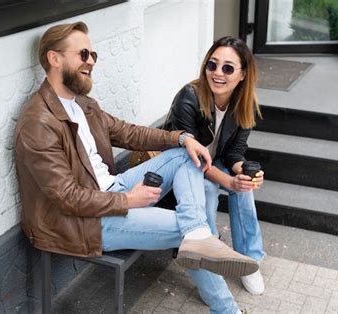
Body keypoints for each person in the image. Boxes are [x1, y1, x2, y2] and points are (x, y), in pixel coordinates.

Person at [14, 22, 259, 313]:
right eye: (83, 54)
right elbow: (67, 197)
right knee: (189, 232)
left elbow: (130, 133)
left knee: (186, 155)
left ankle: (199, 235)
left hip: (111, 190)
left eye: (93, 54)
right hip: (83, 221)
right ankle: (226, 307)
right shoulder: (38, 122)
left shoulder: (81, 104)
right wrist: (128, 201)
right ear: (55, 58)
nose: (91, 61)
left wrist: (181, 137)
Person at [169, 36, 266, 295]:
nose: (218, 73)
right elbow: (190, 157)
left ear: (243, 74)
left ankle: (251, 260)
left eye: (228, 68)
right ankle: (210, 265)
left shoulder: (245, 104)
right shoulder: (188, 98)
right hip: (180, 167)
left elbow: (234, 152)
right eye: (212, 65)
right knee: (211, 191)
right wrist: (228, 181)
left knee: (244, 188)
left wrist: (243, 173)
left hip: (214, 163)